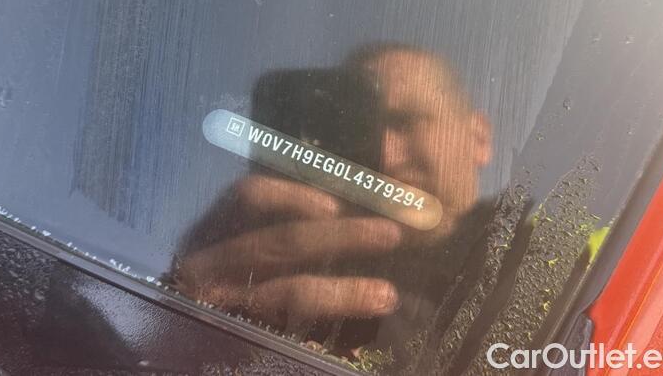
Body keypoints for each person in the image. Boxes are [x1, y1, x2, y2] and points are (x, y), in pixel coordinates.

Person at [170, 43, 493, 357]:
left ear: (478, 137)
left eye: (405, 122)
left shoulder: (518, 270)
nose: (385, 157)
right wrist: (193, 317)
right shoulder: (278, 259)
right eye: (359, 130)